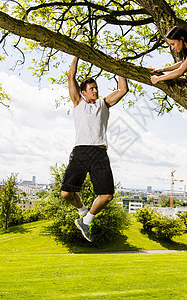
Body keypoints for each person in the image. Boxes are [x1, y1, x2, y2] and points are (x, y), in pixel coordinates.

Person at [61, 56, 128, 242]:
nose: (95, 90)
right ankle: (84, 212)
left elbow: (123, 89)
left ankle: (87, 220)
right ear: (83, 92)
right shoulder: (78, 103)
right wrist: (75, 54)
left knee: (107, 196)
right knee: (66, 193)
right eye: (91, 89)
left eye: (96, 87)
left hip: (99, 152)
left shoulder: (104, 103)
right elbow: (71, 76)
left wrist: (119, 66)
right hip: (81, 151)